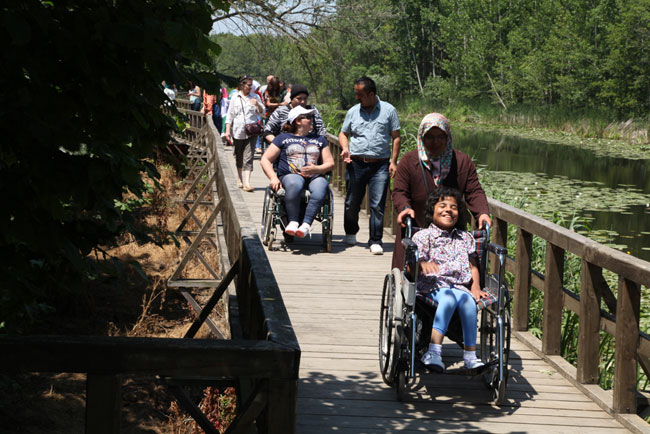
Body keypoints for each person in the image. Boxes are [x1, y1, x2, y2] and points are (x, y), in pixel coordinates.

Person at [391, 112, 491, 270]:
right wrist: (404, 208)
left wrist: (482, 212)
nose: (435, 142)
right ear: (421, 137)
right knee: (410, 275)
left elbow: (474, 191)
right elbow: (399, 191)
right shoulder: (409, 161)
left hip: (452, 233)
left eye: (440, 137)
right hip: (418, 227)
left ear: (448, 137)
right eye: (429, 137)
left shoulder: (462, 162)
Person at [413, 186, 487, 372]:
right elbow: (413, 264)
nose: (448, 210)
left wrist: (476, 287)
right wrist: (423, 265)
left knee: (468, 301)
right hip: (432, 285)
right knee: (447, 298)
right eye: (442, 205)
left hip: (459, 286)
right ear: (432, 210)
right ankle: (434, 352)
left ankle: (470, 356)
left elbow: (473, 266)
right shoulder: (423, 236)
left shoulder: (465, 237)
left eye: (453, 207)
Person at [338, 76, 401, 255]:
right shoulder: (353, 111)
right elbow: (343, 133)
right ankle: (350, 232)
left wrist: (394, 162)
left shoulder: (389, 110)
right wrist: (345, 148)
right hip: (356, 163)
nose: (357, 97)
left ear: (371, 94)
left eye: (360, 94)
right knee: (352, 202)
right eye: (356, 94)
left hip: (380, 165)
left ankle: (375, 240)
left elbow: (396, 137)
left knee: (377, 205)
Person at [260, 106, 334, 239]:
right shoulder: (283, 138)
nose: (312, 120)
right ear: (298, 121)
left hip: (314, 175)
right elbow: (265, 159)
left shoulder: (320, 139)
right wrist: (273, 178)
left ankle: (306, 224)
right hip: (290, 175)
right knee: (295, 183)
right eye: (308, 117)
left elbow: (330, 163)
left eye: (312, 117)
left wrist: (317, 169)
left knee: (321, 187)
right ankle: (293, 222)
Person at [224, 75, 264, 192]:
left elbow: (262, 112)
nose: (251, 87)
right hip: (238, 130)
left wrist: (257, 104)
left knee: (249, 155)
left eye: (251, 85)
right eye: (248, 85)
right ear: (242, 85)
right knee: (239, 155)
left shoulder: (255, 96)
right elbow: (230, 115)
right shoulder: (235, 97)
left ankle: (247, 182)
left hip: (252, 131)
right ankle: (239, 178)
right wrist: (227, 130)